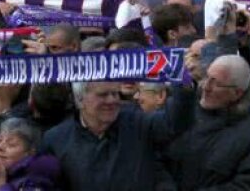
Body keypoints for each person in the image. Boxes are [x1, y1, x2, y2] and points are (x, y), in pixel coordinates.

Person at [40, 77, 191, 189]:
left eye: (115, 93)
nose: (112, 100)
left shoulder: (137, 123)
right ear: (80, 100)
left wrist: (184, 88)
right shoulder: (56, 139)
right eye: (103, 95)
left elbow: (173, 123)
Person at [164, 55, 250, 191]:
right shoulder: (184, 109)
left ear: (237, 93)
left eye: (216, 83)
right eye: (206, 77)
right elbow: (156, 155)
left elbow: (249, 186)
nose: (206, 87)